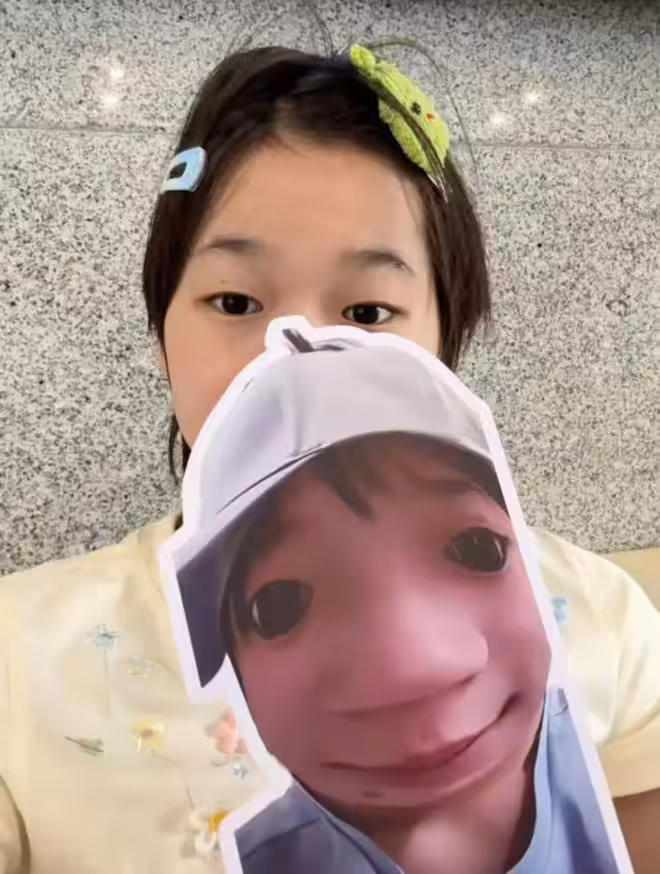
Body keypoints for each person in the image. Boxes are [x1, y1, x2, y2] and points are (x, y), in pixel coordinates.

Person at [0, 42, 658, 874]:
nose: (295, 354)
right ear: (162, 337)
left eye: (369, 311)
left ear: (444, 346)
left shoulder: (604, 617)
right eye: (234, 300)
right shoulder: (20, 658)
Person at [167, 326, 623, 874]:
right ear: (235, 673)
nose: (411, 667)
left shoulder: (609, 748)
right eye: (281, 606)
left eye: (477, 549)